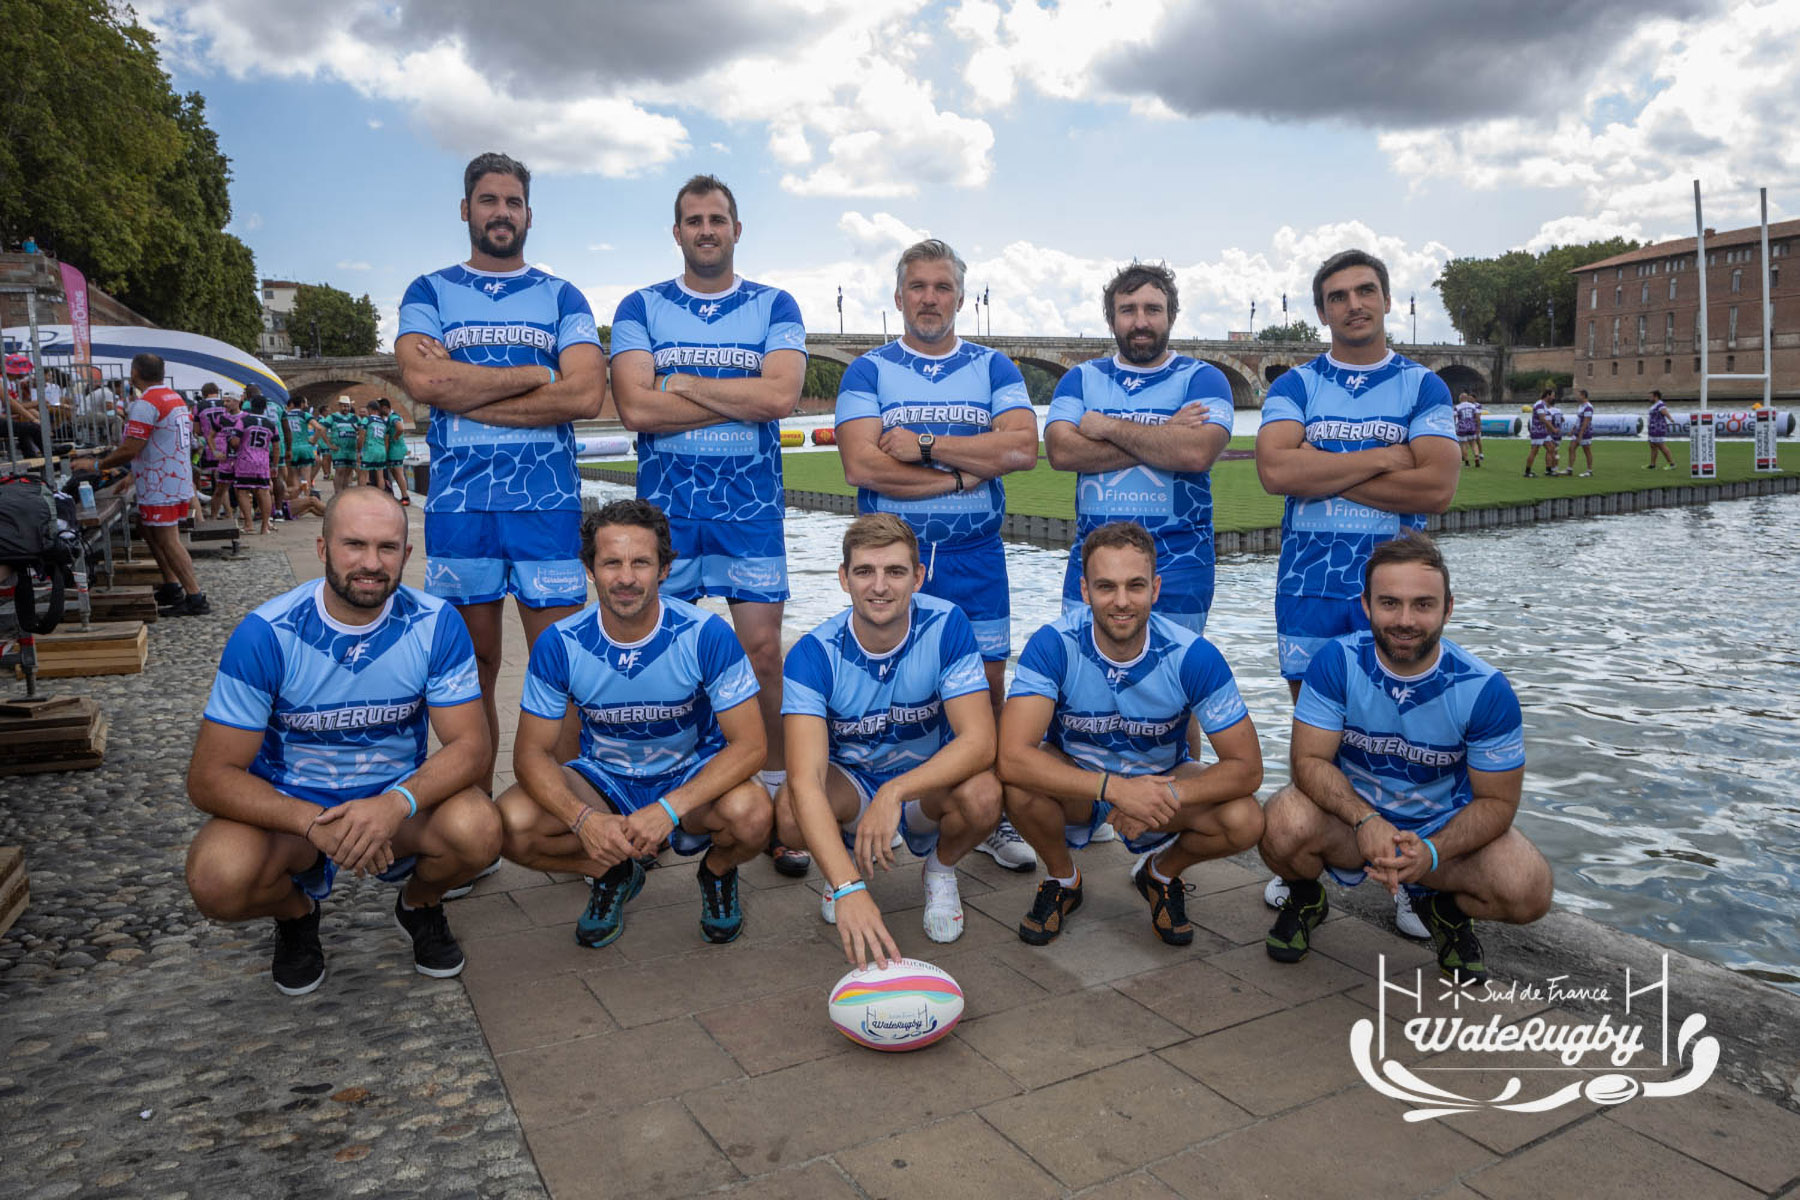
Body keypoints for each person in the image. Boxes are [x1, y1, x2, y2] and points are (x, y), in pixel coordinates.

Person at [184, 488, 499, 995]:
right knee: (216, 878)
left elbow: (471, 748)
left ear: (407, 554)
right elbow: (209, 778)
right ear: (322, 548)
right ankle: (296, 913)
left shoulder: (437, 624)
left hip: (392, 804)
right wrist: (311, 824)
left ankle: (419, 905)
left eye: (387, 548)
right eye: (354, 545)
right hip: (293, 810)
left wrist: (395, 804)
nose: (371, 563)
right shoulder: (265, 633)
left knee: (480, 829)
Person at [610, 174, 808, 873]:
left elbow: (781, 396)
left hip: (748, 509)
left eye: (717, 218)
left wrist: (683, 384)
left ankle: (781, 801)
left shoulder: (773, 305)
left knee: (762, 657)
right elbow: (635, 410)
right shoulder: (641, 306)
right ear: (677, 232)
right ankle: (680, 802)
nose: (705, 230)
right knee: (669, 662)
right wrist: (737, 398)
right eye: (693, 220)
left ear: (736, 229)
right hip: (666, 512)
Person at [397, 150, 607, 794]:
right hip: (461, 505)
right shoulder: (429, 291)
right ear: (466, 210)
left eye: (512, 202)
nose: (501, 213)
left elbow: (584, 396)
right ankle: (475, 808)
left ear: (529, 214)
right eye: (489, 201)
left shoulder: (560, 294)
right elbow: (426, 380)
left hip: (545, 501)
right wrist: (535, 374)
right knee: (474, 665)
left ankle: (566, 809)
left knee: (562, 665)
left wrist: (470, 388)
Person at [1258, 531, 1552, 982]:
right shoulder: (1336, 662)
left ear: (1448, 608)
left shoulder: (1486, 688)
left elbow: (1498, 803)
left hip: (1440, 828)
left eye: (1423, 604)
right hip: (1353, 823)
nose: (1405, 619)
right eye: (1390, 603)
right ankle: (1306, 895)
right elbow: (1309, 763)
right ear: (1366, 605)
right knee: (1278, 823)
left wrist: (1433, 852)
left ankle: (1443, 908)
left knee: (1528, 889)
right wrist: (1364, 819)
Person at [834, 238, 1039, 874]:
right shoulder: (867, 370)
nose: (929, 298)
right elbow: (862, 464)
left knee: (988, 686)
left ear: (960, 297)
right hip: (893, 557)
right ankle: (885, 804)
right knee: (889, 688)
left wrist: (922, 444)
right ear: (899, 297)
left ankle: (989, 811)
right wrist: (958, 473)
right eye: (918, 287)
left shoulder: (994, 366)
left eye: (942, 287)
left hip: (975, 554)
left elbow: (1020, 451)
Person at [496, 499, 771, 949]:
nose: (626, 578)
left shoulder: (706, 634)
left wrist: (668, 809)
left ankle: (717, 872)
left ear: (664, 569)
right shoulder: (560, 643)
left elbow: (752, 746)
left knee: (754, 815)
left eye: (641, 562)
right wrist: (582, 820)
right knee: (508, 824)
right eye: (611, 563)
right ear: (590, 568)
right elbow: (529, 754)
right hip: (606, 779)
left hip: (689, 773)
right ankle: (612, 871)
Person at [997, 521, 1263, 947]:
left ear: (1155, 589)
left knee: (1245, 819)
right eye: (1106, 587)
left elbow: (1248, 769)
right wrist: (1115, 789)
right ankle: (1063, 879)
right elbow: (1011, 756)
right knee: (1017, 784)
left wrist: (1163, 796)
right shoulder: (1052, 645)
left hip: (1160, 788)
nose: (1121, 602)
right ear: (1084, 591)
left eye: (1135, 586)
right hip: (1082, 785)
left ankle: (1161, 873)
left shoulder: (1193, 655)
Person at [774, 514, 1002, 964]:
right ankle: (842, 865)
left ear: (918, 576)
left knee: (985, 794)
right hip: (854, 784)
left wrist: (895, 792)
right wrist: (848, 889)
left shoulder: (947, 625)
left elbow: (980, 742)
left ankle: (939, 870)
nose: (880, 586)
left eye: (895, 571)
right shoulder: (812, 653)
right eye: (865, 572)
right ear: (844, 578)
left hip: (921, 785)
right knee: (787, 812)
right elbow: (805, 779)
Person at [1254, 249, 1459, 702]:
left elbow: (1436, 488)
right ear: (1323, 313)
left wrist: (1316, 464)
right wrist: (1385, 457)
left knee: (1393, 726)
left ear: (1387, 300)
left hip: (1396, 589)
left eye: (1366, 291)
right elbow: (1274, 471)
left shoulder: (1423, 385)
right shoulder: (1296, 385)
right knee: (1312, 738)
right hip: (1309, 584)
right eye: (1338, 297)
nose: (1354, 305)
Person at [1046, 262, 1235, 633]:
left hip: (1180, 562)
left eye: (1153, 309)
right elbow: (1062, 453)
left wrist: (1106, 427)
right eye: (1128, 310)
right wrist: (1166, 433)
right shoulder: (1081, 378)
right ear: (1111, 319)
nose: (1141, 321)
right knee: (1083, 682)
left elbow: (1196, 453)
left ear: (1172, 315)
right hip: (1092, 563)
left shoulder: (1204, 378)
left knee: (1175, 682)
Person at [70, 353, 208, 616]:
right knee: (147, 529)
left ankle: (195, 597)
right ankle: (171, 586)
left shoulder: (146, 403)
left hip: (161, 483)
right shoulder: (173, 397)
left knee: (168, 540)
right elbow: (162, 442)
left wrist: (96, 465)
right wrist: (132, 476)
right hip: (172, 476)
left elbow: (131, 448)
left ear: (135, 373)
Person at [229, 386, 281, 534]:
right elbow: (277, 447)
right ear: (265, 408)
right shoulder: (271, 425)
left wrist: (233, 443)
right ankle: (265, 526)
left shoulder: (243, 421)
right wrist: (275, 466)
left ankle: (249, 524)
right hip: (262, 463)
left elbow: (235, 442)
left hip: (245, 461)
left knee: (242, 491)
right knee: (264, 492)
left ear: (250, 405)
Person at [381, 397, 413, 505]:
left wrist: (395, 437)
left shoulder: (393, 417)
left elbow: (400, 428)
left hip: (396, 449)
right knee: (395, 473)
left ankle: (405, 496)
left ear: (385, 408)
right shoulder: (391, 417)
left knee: (399, 473)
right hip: (395, 449)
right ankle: (403, 495)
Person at [355, 397, 390, 489]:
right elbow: (386, 439)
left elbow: (361, 437)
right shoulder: (384, 422)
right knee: (380, 475)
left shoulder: (367, 420)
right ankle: (381, 496)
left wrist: (359, 451)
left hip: (370, 449)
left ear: (370, 409)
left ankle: (363, 495)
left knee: (363, 473)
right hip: (381, 450)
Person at [1522, 387, 1555, 477]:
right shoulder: (1539, 404)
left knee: (1551, 448)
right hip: (1538, 431)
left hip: (1543, 431)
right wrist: (1553, 429)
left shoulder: (1544, 405)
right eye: (1552, 395)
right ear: (1548, 395)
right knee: (1534, 451)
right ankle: (1527, 472)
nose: (1553, 397)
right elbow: (1542, 418)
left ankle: (1548, 470)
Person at [1646, 389, 1677, 469]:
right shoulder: (1655, 405)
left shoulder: (1660, 404)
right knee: (1652, 446)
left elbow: (1665, 412)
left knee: (1661, 445)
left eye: (1651, 396)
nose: (1649, 398)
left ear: (1655, 396)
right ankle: (1652, 465)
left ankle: (1671, 464)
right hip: (1652, 428)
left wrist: (1670, 419)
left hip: (1658, 428)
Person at [1569, 388, 1595, 477]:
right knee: (1571, 448)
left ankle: (1589, 471)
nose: (1577, 397)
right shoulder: (1581, 406)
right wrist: (1573, 429)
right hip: (1577, 431)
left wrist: (1581, 433)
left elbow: (1586, 421)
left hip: (1585, 432)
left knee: (1587, 450)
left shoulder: (1588, 407)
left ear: (1583, 395)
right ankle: (1569, 469)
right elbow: (1578, 419)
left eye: (1579, 395)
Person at [1453, 391, 1482, 467]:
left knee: (1464, 444)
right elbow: (1477, 417)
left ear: (1461, 398)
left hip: (1462, 427)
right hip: (1472, 426)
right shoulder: (1473, 406)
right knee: (1473, 443)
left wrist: (1453, 427)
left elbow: (1454, 417)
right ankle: (1476, 456)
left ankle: (1467, 462)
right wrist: (1478, 427)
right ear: (1466, 398)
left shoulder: (1457, 407)